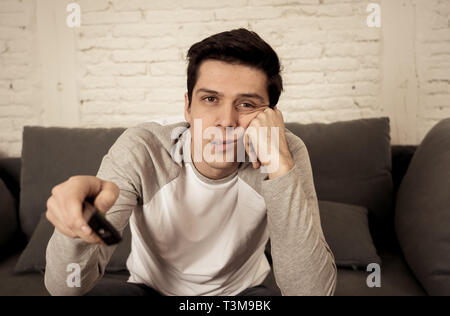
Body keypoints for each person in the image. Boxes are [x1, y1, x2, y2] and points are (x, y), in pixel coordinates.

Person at [44, 28, 337, 296]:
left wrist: (280, 166)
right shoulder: (142, 148)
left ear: (271, 116)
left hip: (243, 296)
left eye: (246, 104)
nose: (225, 121)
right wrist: (76, 228)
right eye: (210, 99)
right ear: (187, 106)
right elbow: (65, 289)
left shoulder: (285, 151)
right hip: (150, 291)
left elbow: (311, 293)